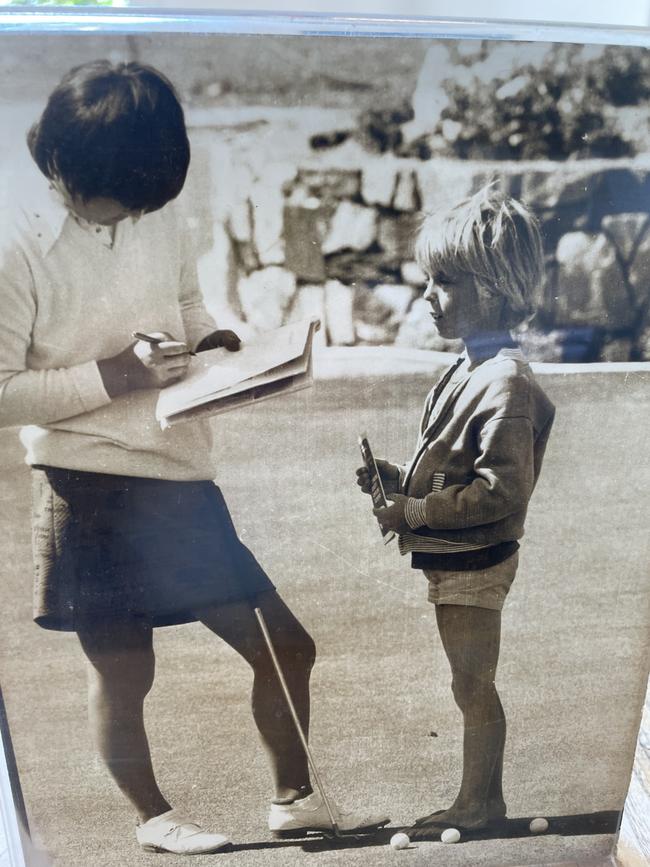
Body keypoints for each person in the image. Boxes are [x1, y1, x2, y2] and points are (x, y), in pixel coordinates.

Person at [0, 60, 387, 856]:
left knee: (285, 644)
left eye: (145, 200)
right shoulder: (14, 244)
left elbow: (186, 306)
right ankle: (153, 818)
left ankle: (296, 799)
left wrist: (220, 348)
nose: (128, 214)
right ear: (61, 162)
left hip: (177, 472)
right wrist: (118, 374)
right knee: (122, 669)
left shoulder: (157, 215)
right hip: (82, 482)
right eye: (115, 197)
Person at [356, 185, 555, 838]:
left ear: (491, 289)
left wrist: (412, 510)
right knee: (468, 683)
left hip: (476, 558)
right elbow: (456, 464)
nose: (428, 295)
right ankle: (481, 797)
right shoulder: (466, 368)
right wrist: (396, 480)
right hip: (456, 554)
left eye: (443, 281)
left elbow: (500, 492)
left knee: (472, 684)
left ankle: (479, 801)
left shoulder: (506, 382)